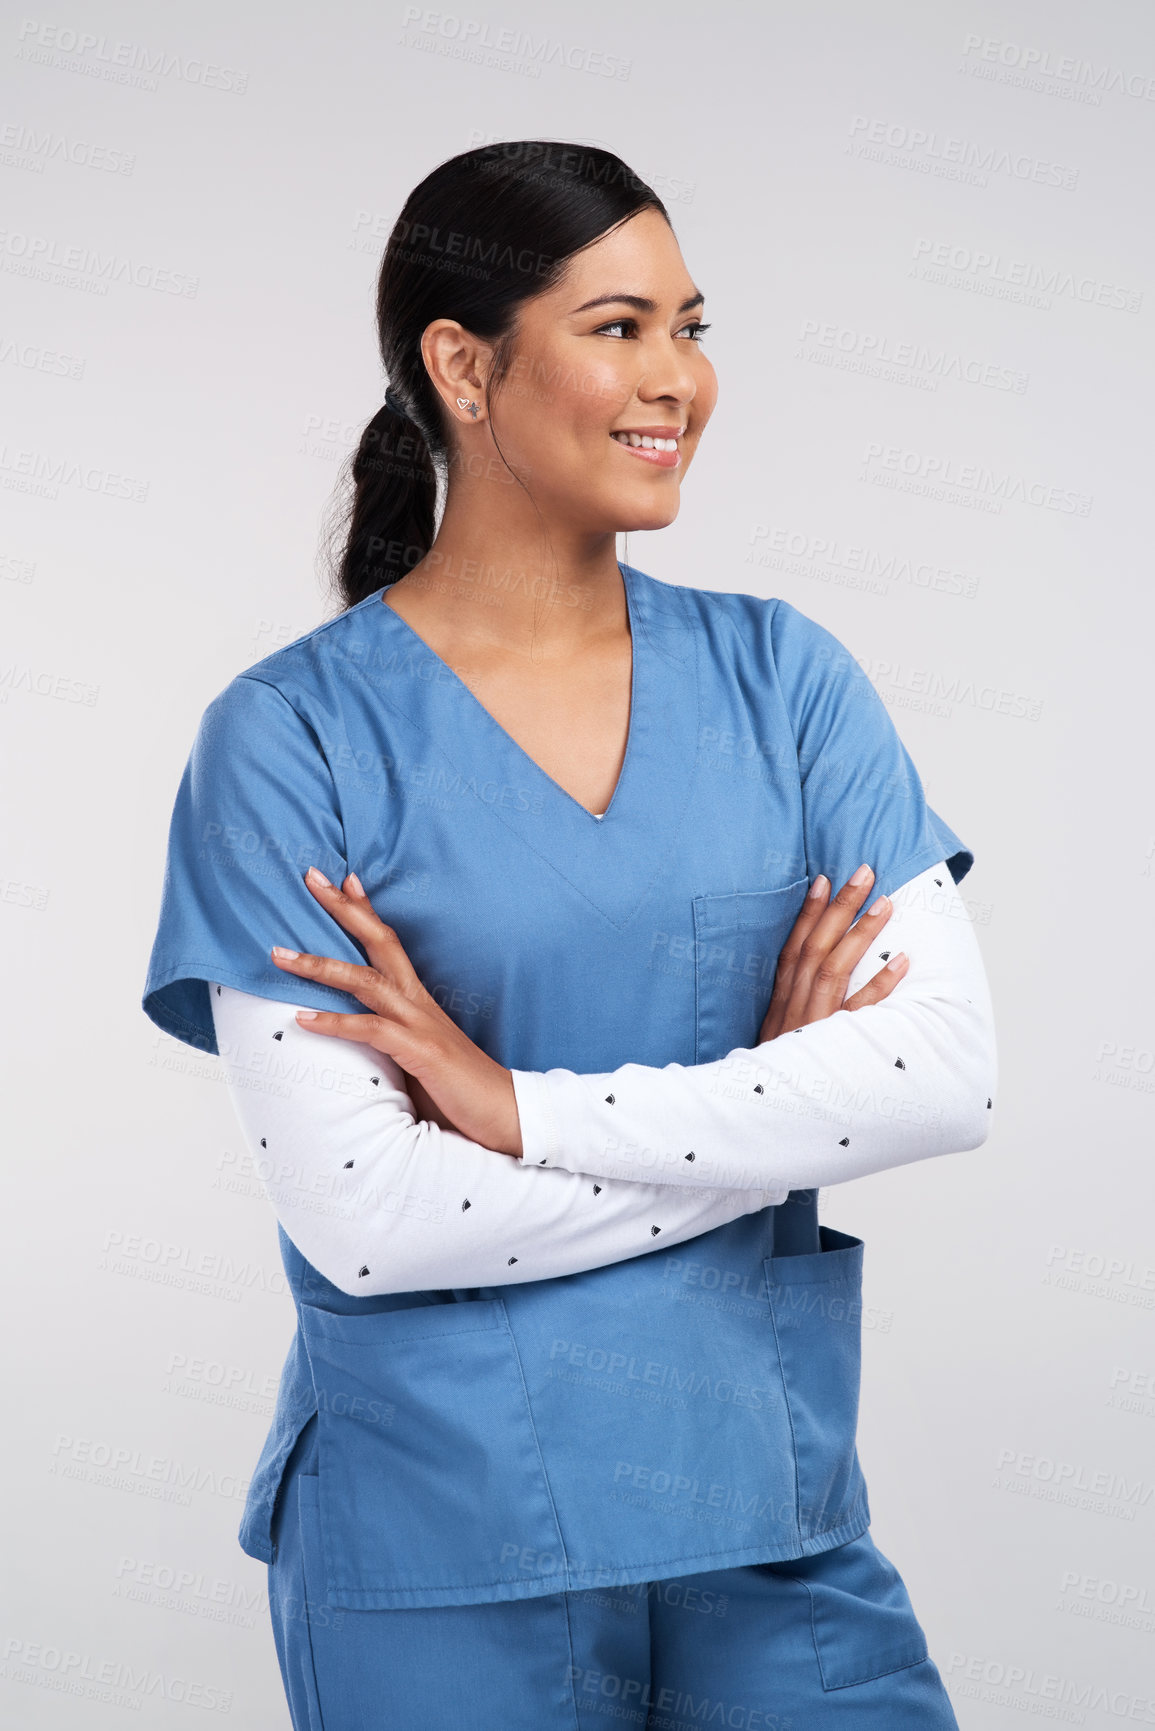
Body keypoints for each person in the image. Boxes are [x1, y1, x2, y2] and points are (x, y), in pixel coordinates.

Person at [142, 140, 996, 1730]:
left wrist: (518, 1108)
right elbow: (374, 1216)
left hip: (772, 1522)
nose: (680, 378)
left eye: (693, 324)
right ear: (463, 366)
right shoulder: (290, 743)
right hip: (444, 1544)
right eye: (619, 327)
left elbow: (941, 1076)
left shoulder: (787, 684)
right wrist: (774, 1098)